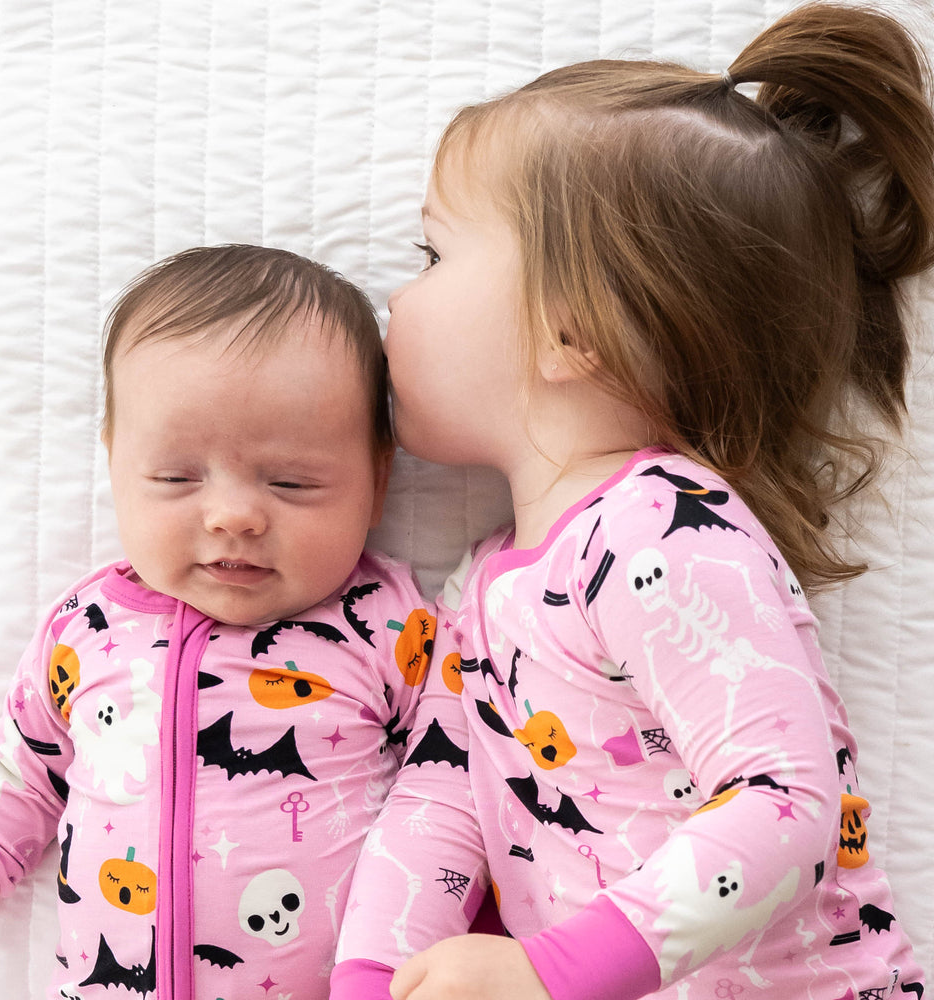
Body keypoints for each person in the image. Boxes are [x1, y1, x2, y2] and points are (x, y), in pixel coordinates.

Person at [331, 4, 934, 999]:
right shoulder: (480, 583)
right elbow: (441, 803)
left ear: (572, 332)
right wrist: (367, 976)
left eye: (433, 256)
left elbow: (786, 802)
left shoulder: (664, 528)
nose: (395, 299)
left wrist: (550, 972)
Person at [0, 244, 436, 999]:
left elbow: (460, 794)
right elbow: (16, 783)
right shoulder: (87, 629)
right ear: (114, 462)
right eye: (176, 477)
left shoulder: (387, 627)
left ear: (379, 474)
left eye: (292, 482)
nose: (233, 515)